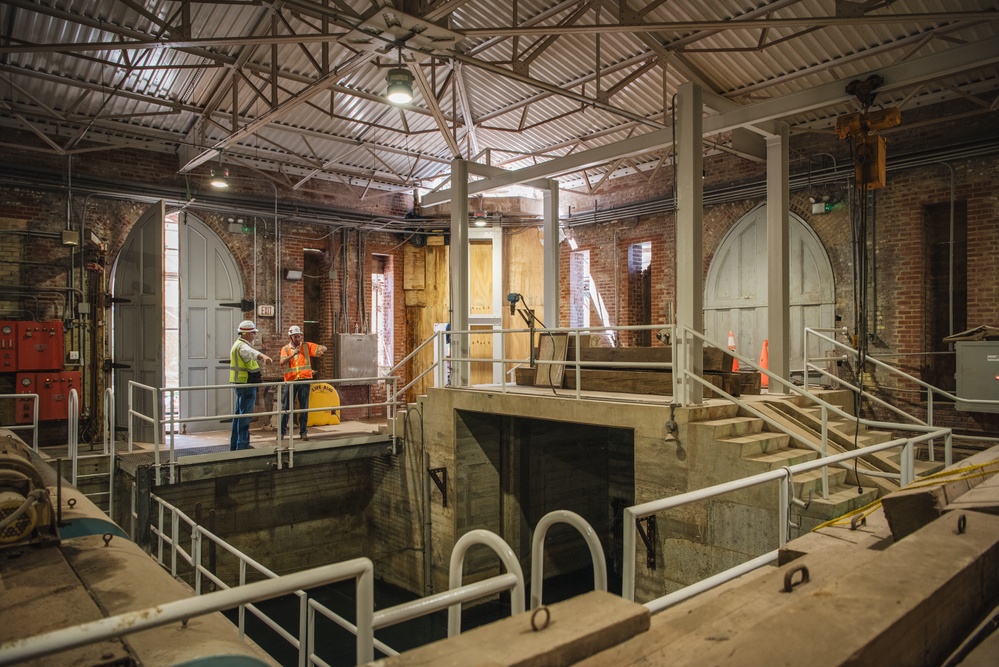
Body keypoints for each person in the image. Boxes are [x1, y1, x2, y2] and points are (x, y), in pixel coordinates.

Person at [229, 320, 273, 451]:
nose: (255, 335)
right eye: (253, 333)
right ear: (247, 334)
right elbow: (251, 353)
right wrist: (263, 356)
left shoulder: (238, 345)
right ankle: (242, 445)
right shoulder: (243, 346)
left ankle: (235, 444)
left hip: (243, 385)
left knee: (239, 416)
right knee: (245, 416)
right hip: (246, 385)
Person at [279, 325, 327, 441]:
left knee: (304, 407)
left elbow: (321, 348)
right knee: (286, 407)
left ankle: (303, 432)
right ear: (290, 337)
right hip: (290, 381)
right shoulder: (285, 349)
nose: (298, 338)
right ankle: (281, 433)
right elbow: (282, 362)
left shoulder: (306, 346)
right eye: (296, 336)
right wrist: (293, 354)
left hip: (304, 380)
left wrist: (322, 349)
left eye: (300, 336)